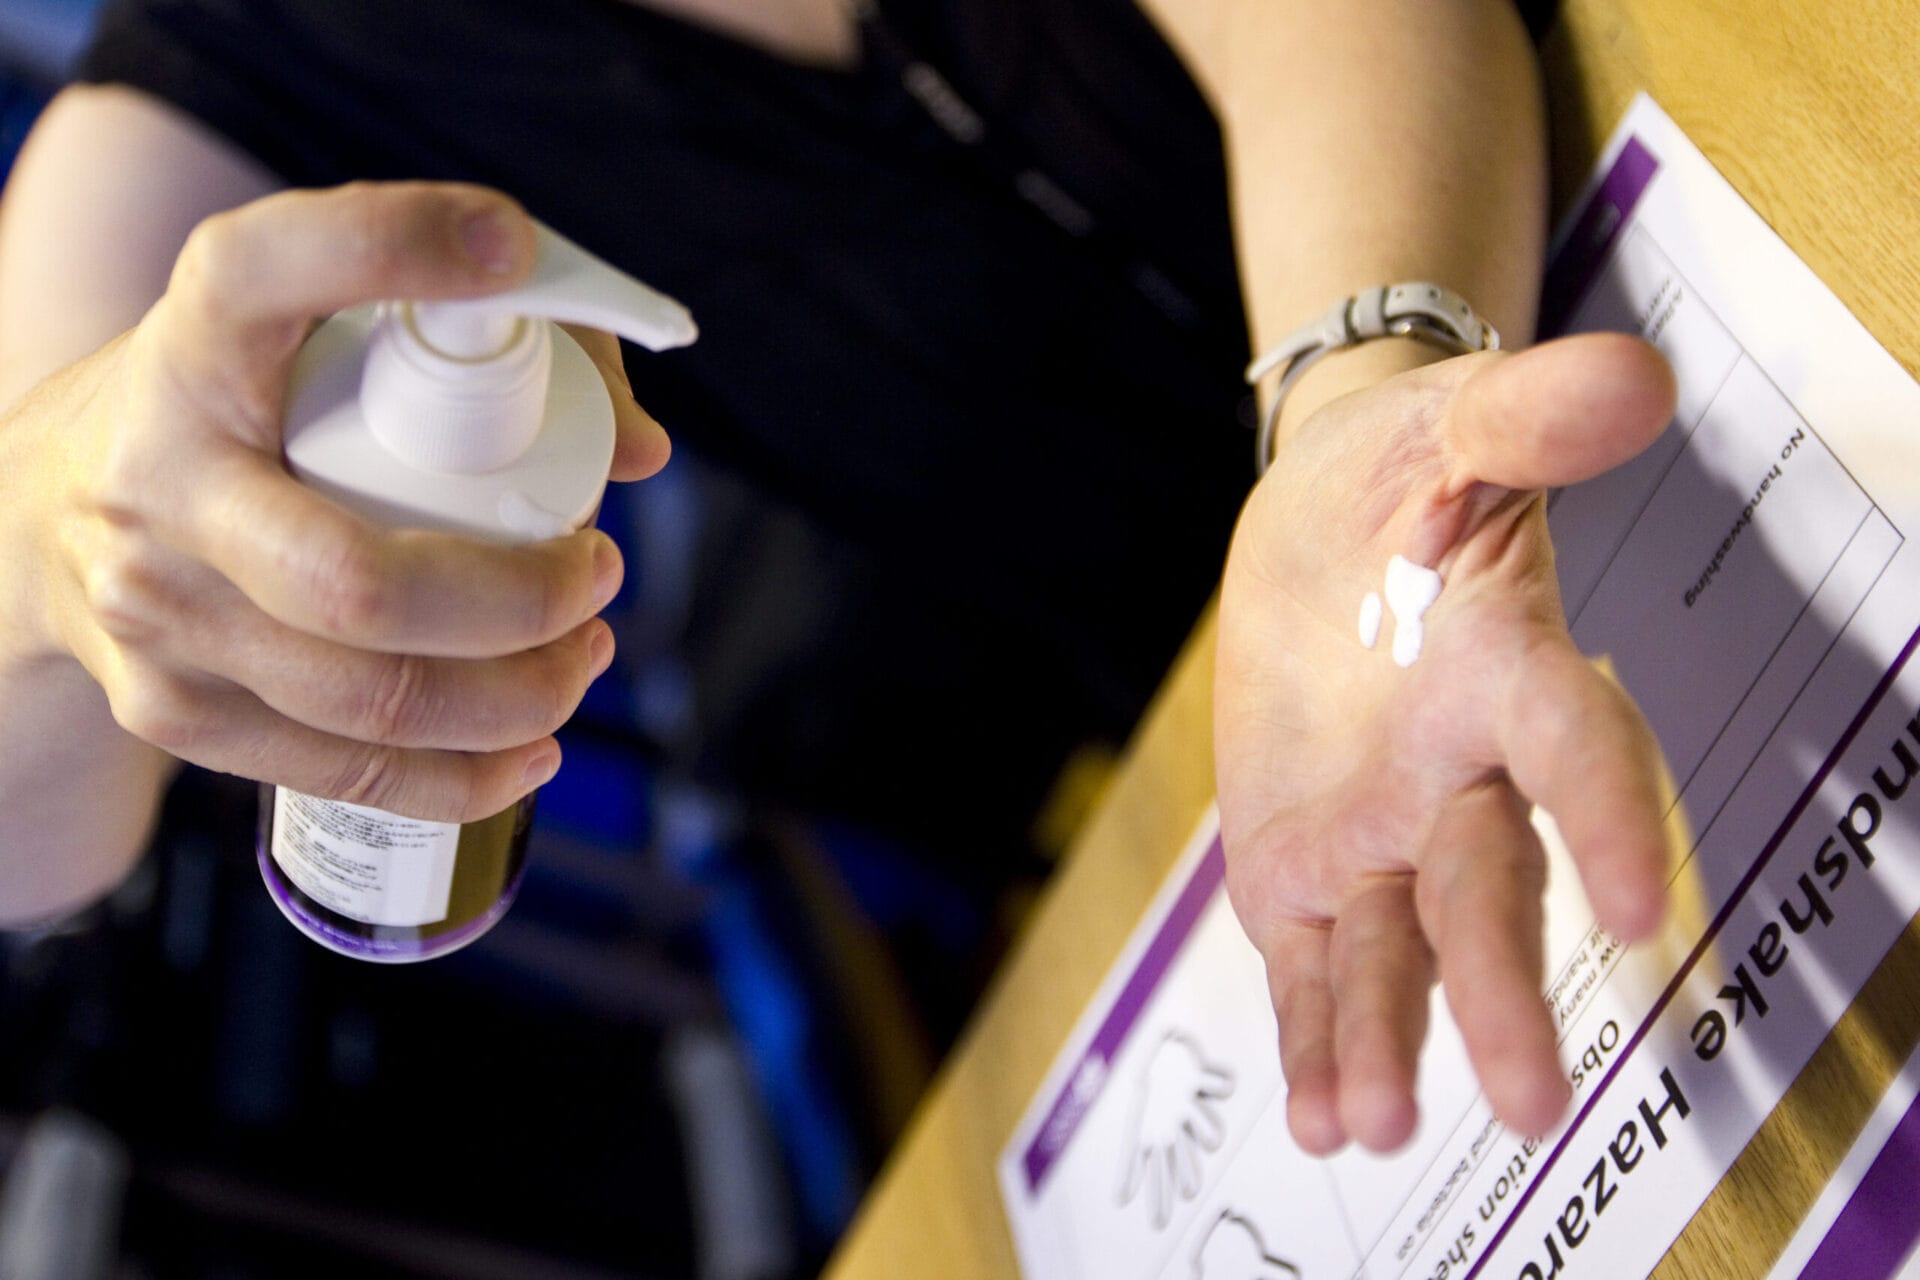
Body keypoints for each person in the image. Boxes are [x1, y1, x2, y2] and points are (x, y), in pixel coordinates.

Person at [0, 0, 1678, 1159]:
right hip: (1325, 731)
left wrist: (1365, 419)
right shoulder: (215, 94)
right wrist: (46, 539)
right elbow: (31, 838)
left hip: (1693, 228)